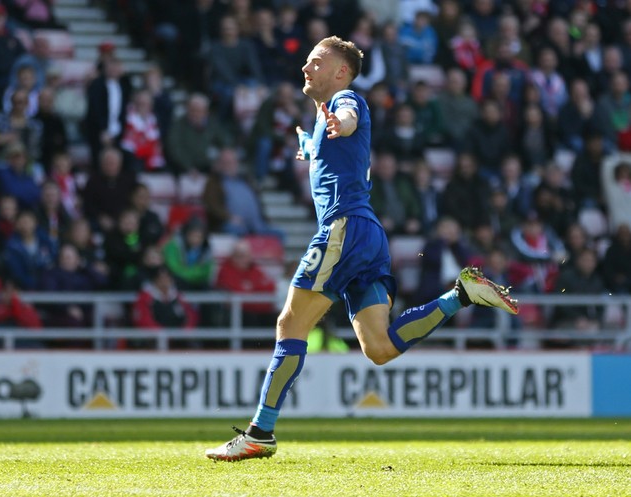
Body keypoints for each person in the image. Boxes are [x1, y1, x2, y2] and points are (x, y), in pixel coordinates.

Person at [205, 35, 518, 462]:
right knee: (379, 349)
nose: (305, 68)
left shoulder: (347, 99)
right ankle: (461, 294)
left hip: (344, 228)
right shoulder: (324, 117)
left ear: (340, 72)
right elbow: (339, 150)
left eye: (316, 62)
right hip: (368, 234)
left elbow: (349, 115)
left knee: (290, 325)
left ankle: (261, 433)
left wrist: (341, 123)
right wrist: (311, 146)